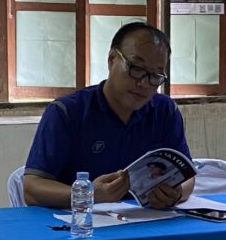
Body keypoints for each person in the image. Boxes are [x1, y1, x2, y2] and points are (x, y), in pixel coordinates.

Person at [23, 22, 195, 210]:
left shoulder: (165, 111)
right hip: (80, 222)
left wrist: (176, 193)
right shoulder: (67, 112)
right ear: (112, 59)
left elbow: (188, 176)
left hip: (146, 220)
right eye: (136, 68)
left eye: (155, 76)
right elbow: (32, 189)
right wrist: (89, 195)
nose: (144, 84)